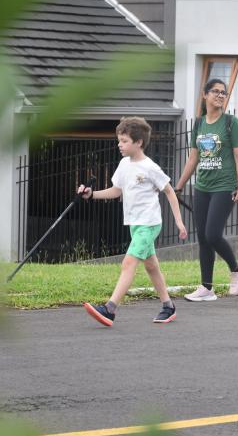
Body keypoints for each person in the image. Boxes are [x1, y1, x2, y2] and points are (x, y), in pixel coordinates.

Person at [79, 117, 187, 326]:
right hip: (135, 224)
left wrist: (179, 222)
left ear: (138, 142)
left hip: (149, 224)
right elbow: (116, 190)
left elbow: (169, 191)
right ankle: (168, 306)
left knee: (128, 262)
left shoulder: (150, 167)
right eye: (119, 140)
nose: (119, 144)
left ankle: (110, 309)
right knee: (151, 266)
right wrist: (92, 194)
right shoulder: (123, 164)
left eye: (124, 140)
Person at [174, 78, 238, 302]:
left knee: (213, 234)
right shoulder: (198, 124)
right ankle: (207, 288)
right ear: (205, 95)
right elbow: (193, 157)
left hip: (224, 186)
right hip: (202, 187)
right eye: (215, 92)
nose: (220, 95)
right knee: (203, 239)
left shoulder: (230, 123)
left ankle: (236, 270)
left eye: (223, 93)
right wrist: (179, 185)